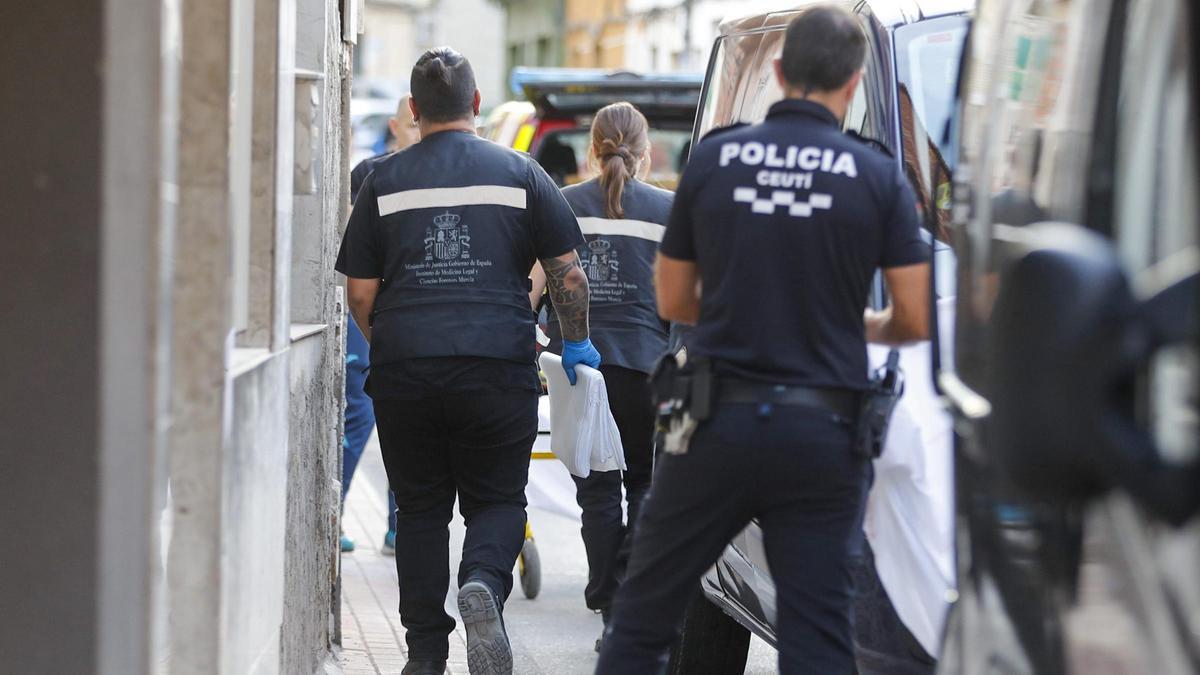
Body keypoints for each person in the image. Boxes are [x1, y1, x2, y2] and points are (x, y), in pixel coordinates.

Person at [594, 6, 931, 674]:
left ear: (777, 72)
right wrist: (849, 322)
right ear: (855, 80)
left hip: (713, 422)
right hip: (821, 436)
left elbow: (673, 298)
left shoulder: (717, 160)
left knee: (642, 620)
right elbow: (915, 319)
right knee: (816, 637)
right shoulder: (877, 176)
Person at [336, 47, 600, 675]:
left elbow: (360, 292)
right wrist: (574, 342)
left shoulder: (383, 179)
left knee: (422, 511)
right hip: (497, 367)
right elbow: (568, 273)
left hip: (406, 371)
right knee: (498, 502)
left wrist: (392, 348)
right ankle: (482, 579)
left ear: (413, 109)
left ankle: (425, 656)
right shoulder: (522, 174)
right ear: (477, 106)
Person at [532, 102, 671, 651]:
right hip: (647, 366)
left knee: (596, 490)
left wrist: (538, 343)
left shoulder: (561, 205)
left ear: (593, 149)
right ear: (646, 151)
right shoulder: (669, 210)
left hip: (579, 369)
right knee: (644, 483)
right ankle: (623, 610)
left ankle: (606, 598)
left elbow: (534, 289)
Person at [341, 94, 422, 556]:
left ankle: (399, 525)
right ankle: (336, 510)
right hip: (370, 312)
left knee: (407, 420)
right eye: (411, 126)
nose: (417, 133)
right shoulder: (369, 174)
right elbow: (356, 258)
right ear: (395, 126)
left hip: (409, 315)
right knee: (361, 416)